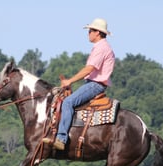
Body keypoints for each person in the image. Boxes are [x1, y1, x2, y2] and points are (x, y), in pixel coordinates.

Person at [43, 18, 115, 150]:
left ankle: (61, 139)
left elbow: (89, 69)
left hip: (95, 84)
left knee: (67, 102)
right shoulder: (102, 47)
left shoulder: (101, 48)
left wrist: (69, 81)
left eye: (90, 31)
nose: (88, 33)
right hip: (93, 83)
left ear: (97, 33)